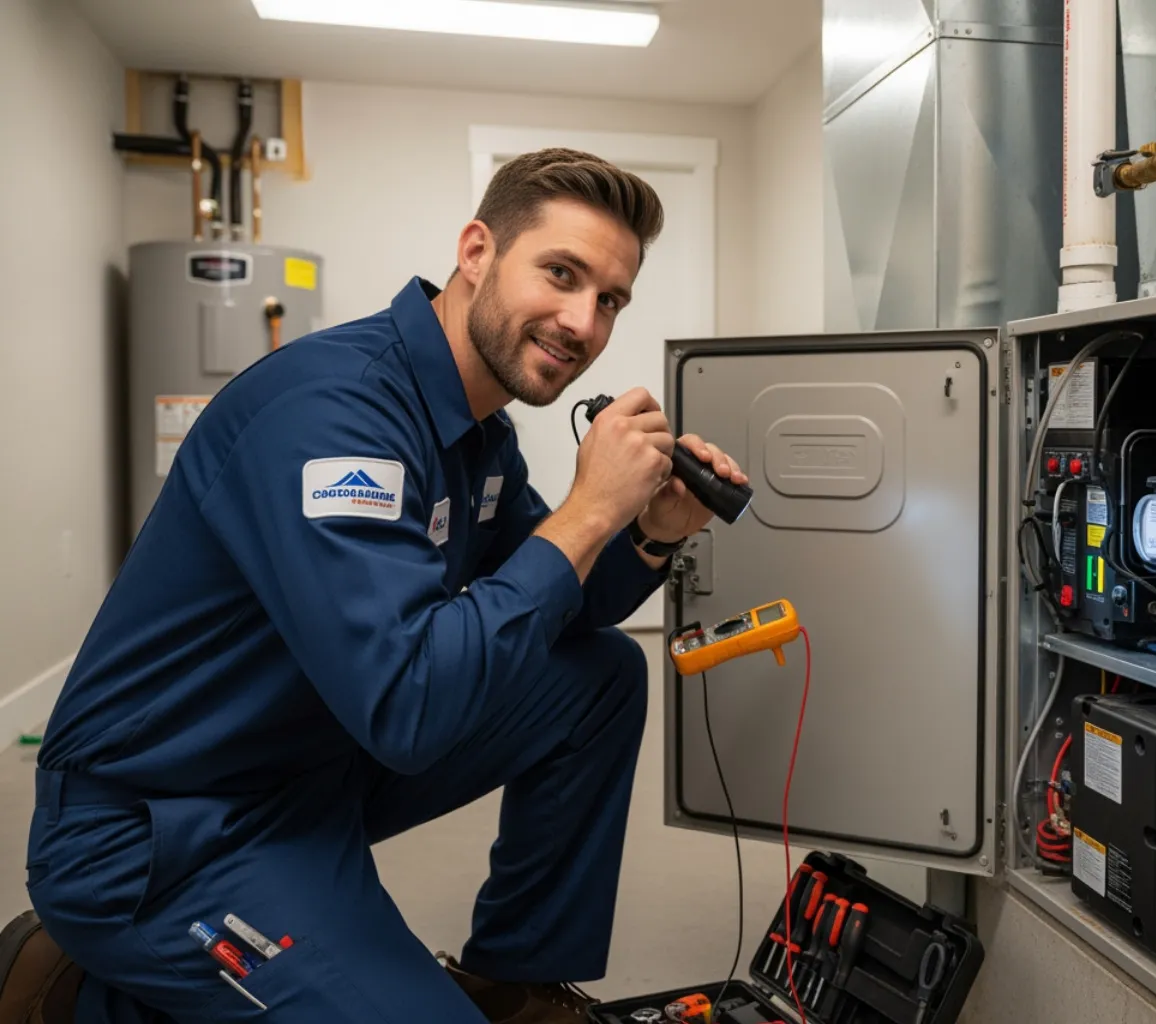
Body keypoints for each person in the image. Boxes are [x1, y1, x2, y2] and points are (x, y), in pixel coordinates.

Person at [1, 147, 746, 1023]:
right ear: (477, 252)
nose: (583, 322)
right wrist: (587, 512)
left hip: (311, 770)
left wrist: (648, 534)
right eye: (561, 273)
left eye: (609, 300)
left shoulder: (478, 434)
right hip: (161, 832)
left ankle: (517, 984)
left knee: (601, 679)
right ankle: (71, 988)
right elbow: (410, 708)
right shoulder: (334, 415)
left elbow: (561, 607)